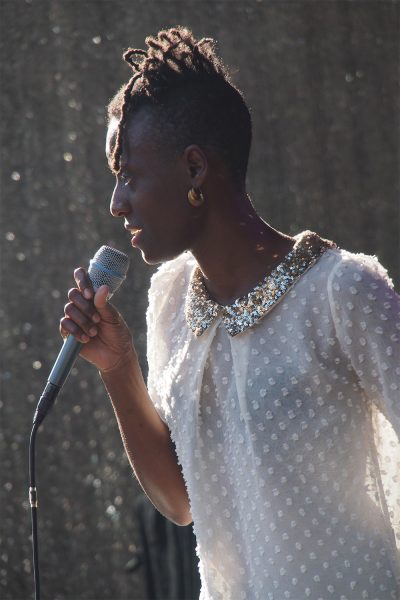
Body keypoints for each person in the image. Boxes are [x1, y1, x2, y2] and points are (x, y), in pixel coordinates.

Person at [60, 26, 400, 600]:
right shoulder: (171, 303)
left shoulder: (343, 292)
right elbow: (182, 503)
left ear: (195, 169)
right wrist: (119, 371)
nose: (117, 203)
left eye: (127, 175)